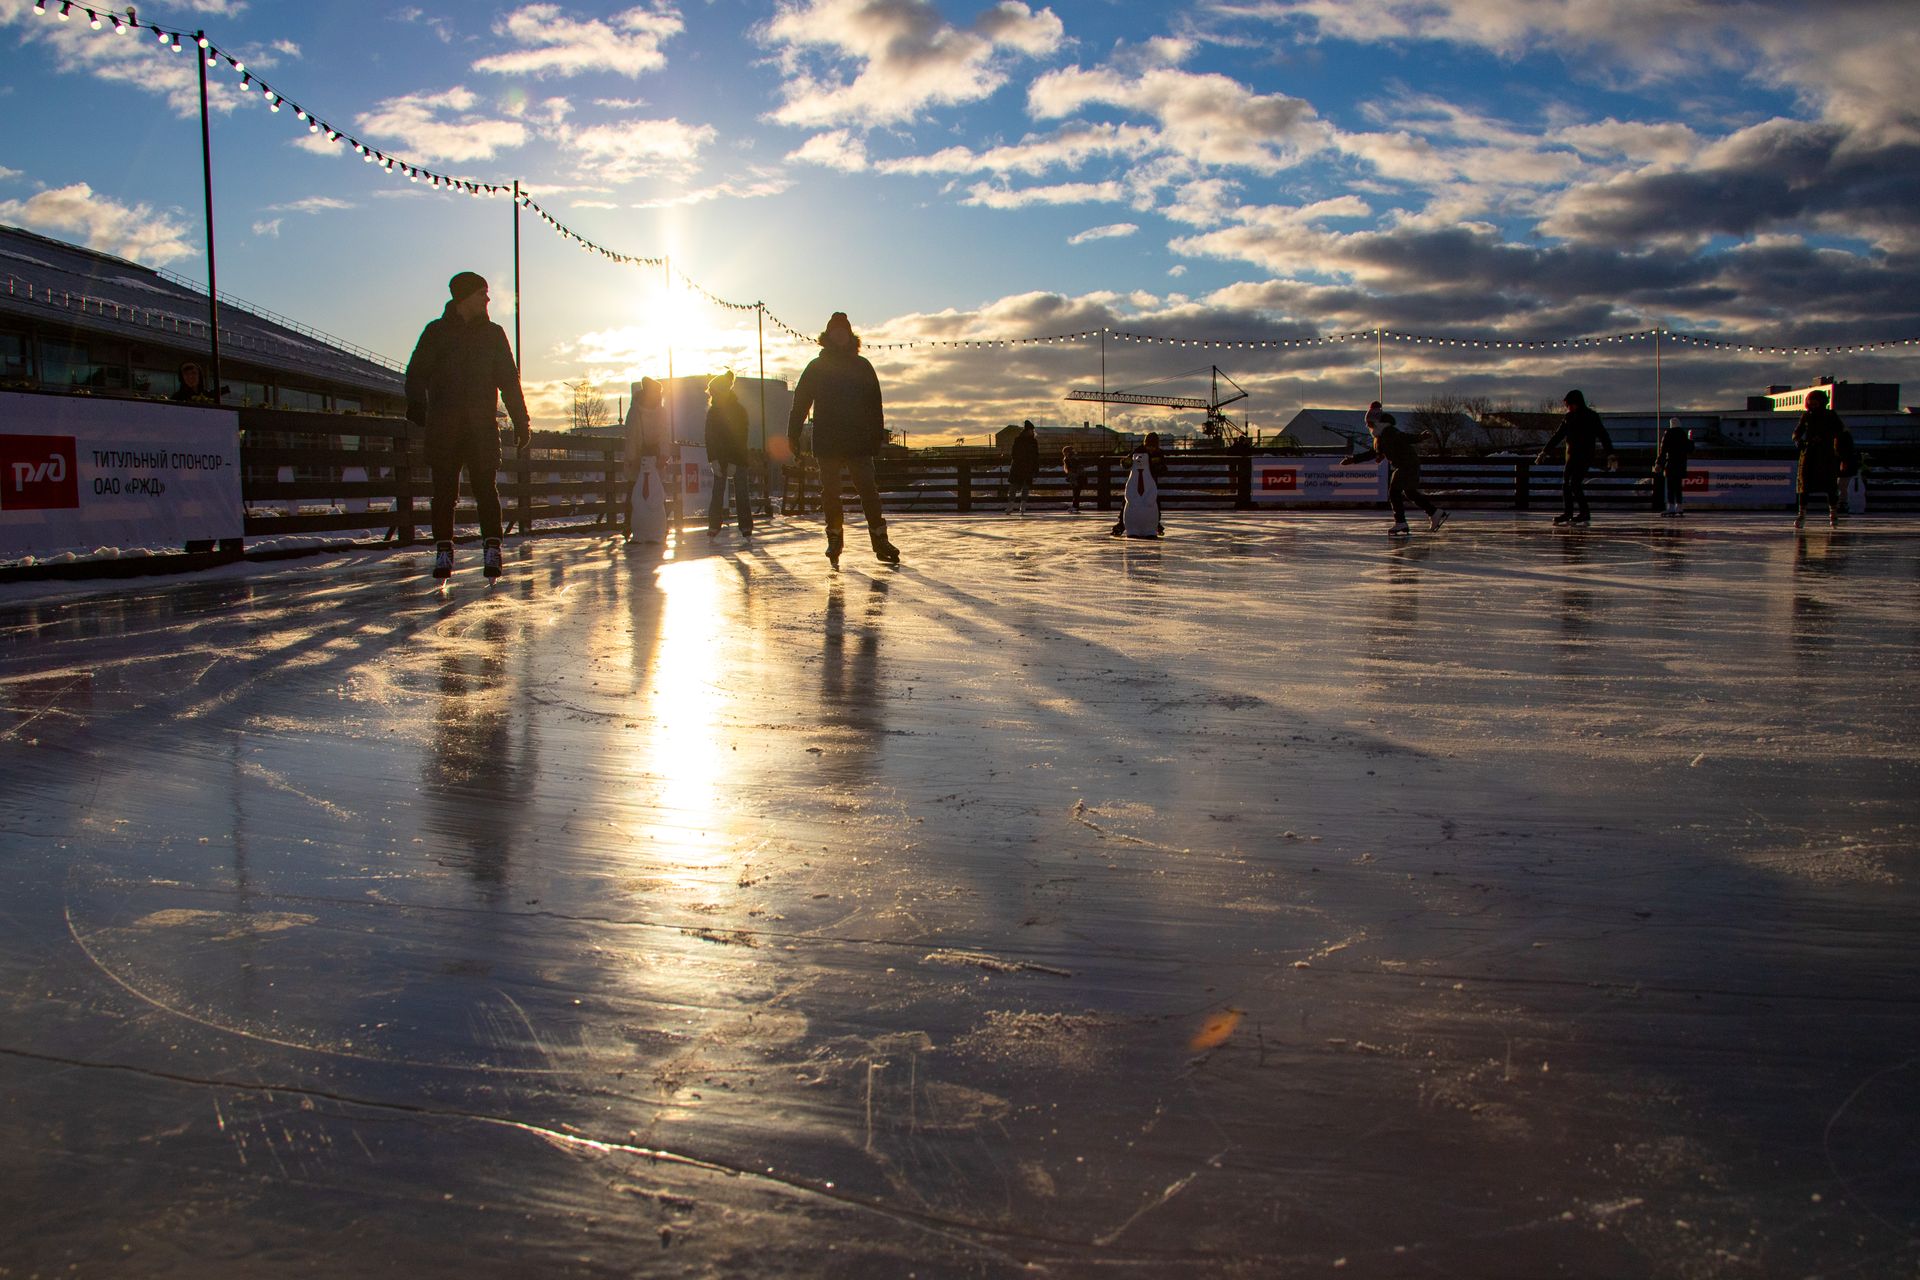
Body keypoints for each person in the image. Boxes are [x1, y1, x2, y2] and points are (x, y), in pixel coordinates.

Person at [405, 270, 531, 580]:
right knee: (444, 492)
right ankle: (444, 550)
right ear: (463, 297)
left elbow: (509, 382)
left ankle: (492, 547)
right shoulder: (436, 332)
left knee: (486, 489)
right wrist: (417, 404)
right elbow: (416, 372)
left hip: (481, 428)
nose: (487, 299)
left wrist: (521, 420)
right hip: (444, 427)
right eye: (481, 293)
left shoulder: (493, 334)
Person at [788, 312, 900, 568]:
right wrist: (792, 434)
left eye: (844, 331)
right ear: (828, 335)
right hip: (828, 441)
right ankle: (835, 538)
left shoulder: (862, 366)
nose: (840, 335)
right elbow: (801, 402)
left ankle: (880, 539)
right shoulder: (817, 367)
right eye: (835, 331)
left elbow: (875, 405)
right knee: (831, 493)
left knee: (868, 490)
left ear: (849, 335)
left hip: (858, 440)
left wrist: (876, 439)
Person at [1340, 410, 1446, 535]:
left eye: (1369, 423)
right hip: (1408, 464)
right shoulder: (1382, 434)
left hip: (1406, 465)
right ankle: (1434, 512)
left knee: (1394, 492)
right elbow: (1380, 450)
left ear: (1376, 422)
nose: (1367, 426)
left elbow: (1403, 438)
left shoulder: (1388, 432)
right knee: (1409, 492)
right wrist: (1380, 454)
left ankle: (1401, 522)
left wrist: (1419, 437)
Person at [1536, 389, 1617, 527]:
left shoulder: (1591, 416)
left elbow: (1603, 435)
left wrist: (1610, 454)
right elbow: (1558, 435)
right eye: (1567, 405)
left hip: (1585, 455)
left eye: (1570, 404)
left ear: (1577, 403)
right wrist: (1545, 451)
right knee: (1566, 483)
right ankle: (1568, 513)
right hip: (1571, 455)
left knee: (1575, 483)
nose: (1568, 407)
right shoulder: (1569, 417)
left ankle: (1584, 512)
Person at [704, 370, 753, 538]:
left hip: (737, 458)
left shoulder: (738, 410)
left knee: (741, 492)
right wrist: (713, 459)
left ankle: (745, 526)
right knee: (717, 490)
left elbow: (740, 436)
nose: (712, 395)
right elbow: (709, 437)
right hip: (720, 458)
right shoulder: (713, 412)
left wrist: (734, 460)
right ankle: (714, 525)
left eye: (714, 392)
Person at [1793, 387, 1843, 529]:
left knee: (1830, 486)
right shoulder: (1806, 416)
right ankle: (1801, 514)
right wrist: (1799, 441)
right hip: (1808, 454)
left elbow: (1840, 431)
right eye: (1811, 401)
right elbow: (1796, 432)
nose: (1813, 404)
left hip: (1826, 455)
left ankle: (1833, 513)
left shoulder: (1830, 415)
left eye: (1816, 401)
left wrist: (1827, 438)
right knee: (1804, 486)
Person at [1111, 433, 1170, 535]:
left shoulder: (1158, 453)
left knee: (1154, 502)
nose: (1150, 449)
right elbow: (1127, 462)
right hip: (1137, 481)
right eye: (1148, 446)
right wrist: (1126, 462)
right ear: (1145, 444)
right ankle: (1121, 523)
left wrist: (1159, 467)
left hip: (1150, 482)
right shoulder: (1139, 451)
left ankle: (1155, 523)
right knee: (1127, 502)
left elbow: (1163, 468)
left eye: (1153, 446)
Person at [1652, 416, 1693, 517]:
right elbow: (1690, 449)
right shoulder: (1683, 434)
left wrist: (1658, 463)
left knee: (1670, 486)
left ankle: (1670, 507)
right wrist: (1691, 440)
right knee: (1678, 487)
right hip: (1681, 464)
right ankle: (1679, 506)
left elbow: (1663, 451)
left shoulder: (1668, 434)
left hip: (1670, 464)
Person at [1007, 420, 1040, 515]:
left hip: (1025, 467)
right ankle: (1010, 506)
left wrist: (1035, 468)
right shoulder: (1019, 440)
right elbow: (1014, 453)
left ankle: (1022, 506)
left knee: (1025, 487)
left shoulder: (1033, 442)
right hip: (1019, 466)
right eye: (1031, 430)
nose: (1032, 432)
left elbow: (1036, 456)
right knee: (1014, 487)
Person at [1061, 444, 1087, 513]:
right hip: (1079, 477)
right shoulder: (1075, 458)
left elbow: (1073, 470)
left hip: (1076, 478)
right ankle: (1075, 506)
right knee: (1076, 493)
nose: (1064, 454)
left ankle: (1075, 506)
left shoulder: (1070, 459)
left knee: (1076, 493)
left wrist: (1073, 478)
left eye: (1064, 452)